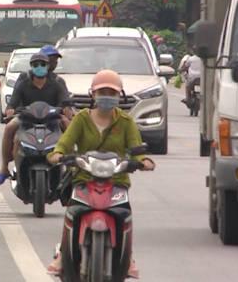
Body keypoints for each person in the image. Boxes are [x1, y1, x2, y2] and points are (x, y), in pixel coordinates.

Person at [45, 69, 156, 278]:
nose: (107, 96)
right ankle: (63, 254)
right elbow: (64, 144)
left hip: (117, 180)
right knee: (72, 211)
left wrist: (143, 161)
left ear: (119, 96)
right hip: (84, 177)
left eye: (112, 93)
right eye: (102, 92)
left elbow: (136, 148)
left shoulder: (125, 122)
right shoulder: (81, 120)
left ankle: (128, 256)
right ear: (93, 94)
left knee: (124, 214)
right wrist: (58, 154)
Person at [0, 53, 70, 186]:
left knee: (68, 125)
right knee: (10, 127)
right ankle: (4, 168)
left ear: (47, 67)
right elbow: (13, 102)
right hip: (27, 119)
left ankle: (72, 167)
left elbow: (65, 101)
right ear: (31, 67)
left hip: (52, 119)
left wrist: (66, 109)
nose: (39, 67)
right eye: (36, 65)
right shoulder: (23, 82)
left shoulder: (57, 82)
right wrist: (10, 109)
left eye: (42, 64)